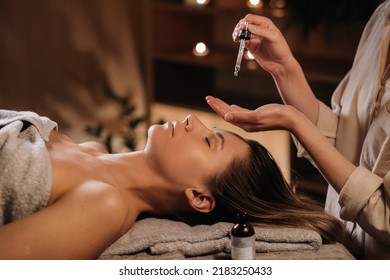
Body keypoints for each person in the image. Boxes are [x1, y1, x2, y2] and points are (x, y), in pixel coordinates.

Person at [0, 110, 342, 259]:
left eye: (209, 142)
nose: (193, 121)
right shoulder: (93, 150)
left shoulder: (106, 206)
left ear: (200, 198)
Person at [206, 0, 390, 259]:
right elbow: (348, 141)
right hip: (343, 251)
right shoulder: (383, 17)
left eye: (210, 141)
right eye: (208, 140)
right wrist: (284, 69)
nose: (189, 122)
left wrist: (294, 121)